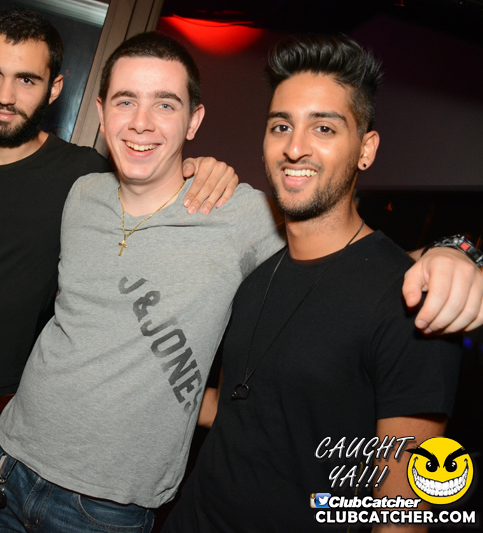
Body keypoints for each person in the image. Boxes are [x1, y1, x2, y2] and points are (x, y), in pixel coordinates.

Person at [0, 32, 482, 533]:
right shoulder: (83, 193)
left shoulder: (243, 216)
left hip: (106, 509)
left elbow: (363, 267)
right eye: (126, 101)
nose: (141, 122)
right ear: (101, 112)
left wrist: (459, 251)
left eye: (165, 104)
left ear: (194, 120)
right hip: (7, 458)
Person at [0, 10, 238, 533]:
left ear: (55, 88)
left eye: (26, 80)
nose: (5, 95)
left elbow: (156, 176)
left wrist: (203, 167)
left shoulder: (85, 179)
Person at [162, 34, 465, 533]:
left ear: (366, 149)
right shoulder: (257, 276)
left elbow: (402, 513)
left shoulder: (408, 301)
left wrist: (461, 250)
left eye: (323, 127)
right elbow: (244, 408)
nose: (295, 147)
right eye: (281, 126)